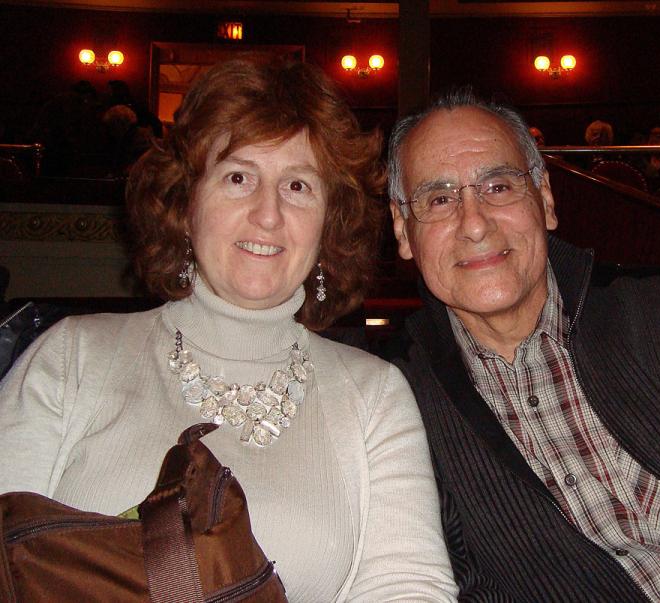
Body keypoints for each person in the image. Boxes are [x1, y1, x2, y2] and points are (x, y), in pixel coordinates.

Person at [0, 59, 457, 601]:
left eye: (297, 185)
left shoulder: (374, 395)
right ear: (185, 202)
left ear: (328, 221)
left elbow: (407, 586)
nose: (268, 214)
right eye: (238, 177)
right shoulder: (71, 358)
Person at [384, 89, 660, 602]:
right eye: (439, 199)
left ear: (546, 200)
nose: (473, 223)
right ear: (404, 230)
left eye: (499, 186)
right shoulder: (391, 398)